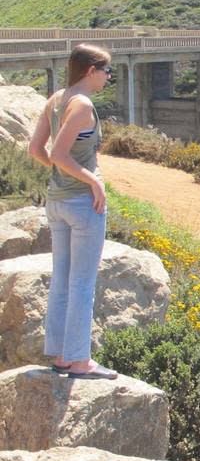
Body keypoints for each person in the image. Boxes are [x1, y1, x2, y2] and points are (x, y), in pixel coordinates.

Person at [27, 44, 117, 379]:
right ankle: (81, 360)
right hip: (82, 204)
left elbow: (37, 150)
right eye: (107, 70)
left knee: (62, 279)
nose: (109, 77)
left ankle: (62, 354)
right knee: (82, 282)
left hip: (57, 202)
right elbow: (59, 154)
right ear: (90, 71)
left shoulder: (56, 99)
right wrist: (92, 180)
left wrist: (63, 173)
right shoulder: (81, 106)